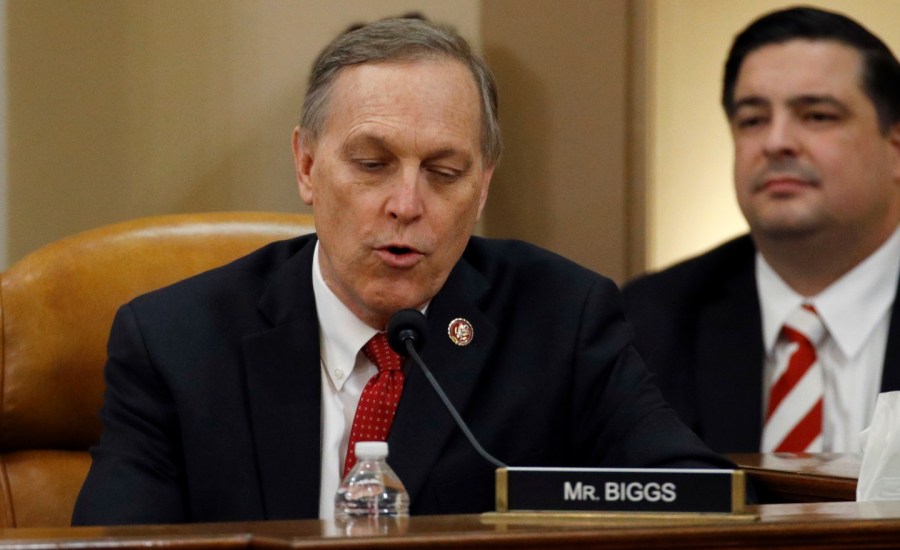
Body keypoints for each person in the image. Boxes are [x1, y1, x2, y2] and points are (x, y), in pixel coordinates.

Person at [72, 16, 728, 526]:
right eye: (372, 164)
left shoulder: (560, 318)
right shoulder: (175, 341)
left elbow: (696, 495)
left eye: (444, 173)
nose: (407, 205)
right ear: (306, 166)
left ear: (483, 186)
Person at [623, 6, 900, 454]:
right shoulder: (651, 321)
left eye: (817, 116)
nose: (776, 142)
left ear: (896, 146)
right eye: (753, 120)